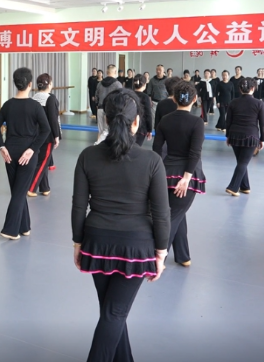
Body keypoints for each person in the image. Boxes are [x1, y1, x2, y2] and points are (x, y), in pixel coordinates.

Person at [71, 89, 170, 362]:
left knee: (111, 310)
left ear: (105, 119)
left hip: (96, 242)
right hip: (135, 246)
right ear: (136, 122)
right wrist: (161, 254)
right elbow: (161, 214)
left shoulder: (87, 156)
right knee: (114, 313)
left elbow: (79, 206)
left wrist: (78, 243)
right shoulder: (152, 161)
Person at [0, 68, 51, 240]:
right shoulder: (35, 106)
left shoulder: (8, 105)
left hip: (10, 153)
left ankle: (24, 227)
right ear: (30, 84)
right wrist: (32, 149)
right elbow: (46, 130)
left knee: (18, 190)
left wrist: (2, 147)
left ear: (15, 83)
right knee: (19, 192)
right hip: (27, 154)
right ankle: (10, 229)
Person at [153, 81, 204, 267]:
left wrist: (156, 175)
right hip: (187, 176)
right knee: (173, 216)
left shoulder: (165, 120)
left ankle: (183, 255)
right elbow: (195, 153)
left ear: (174, 99)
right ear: (194, 99)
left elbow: (157, 150)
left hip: (166, 173)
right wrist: (186, 178)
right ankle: (157, 259)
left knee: (177, 213)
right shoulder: (197, 122)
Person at [225, 78, 264, 196]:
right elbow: (263, 124)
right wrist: (262, 139)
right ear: (253, 88)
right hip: (251, 136)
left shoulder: (233, 102)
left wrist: (228, 136)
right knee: (243, 163)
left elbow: (228, 121)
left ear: (240, 89)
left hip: (234, 135)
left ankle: (245, 186)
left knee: (241, 162)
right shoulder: (259, 103)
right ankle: (233, 187)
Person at [28, 73, 61, 197]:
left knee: (43, 160)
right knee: (42, 162)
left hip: (35, 134)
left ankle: (45, 187)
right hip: (47, 136)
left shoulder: (34, 97)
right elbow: (53, 119)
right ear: (50, 84)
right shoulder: (50, 98)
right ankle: (31, 188)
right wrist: (57, 136)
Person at [94, 65, 123, 144]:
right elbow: (120, 98)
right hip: (111, 110)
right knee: (108, 131)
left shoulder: (100, 83)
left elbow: (96, 97)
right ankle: (98, 145)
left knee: (101, 131)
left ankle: (99, 146)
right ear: (115, 72)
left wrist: (97, 105)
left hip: (100, 108)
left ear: (106, 72)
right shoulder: (118, 84)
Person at [132, 75, 153, 147]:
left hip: (129, 125)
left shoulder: (128, 94)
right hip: (141, 127)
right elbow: (148, 114)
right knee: (137, 147)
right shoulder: (145, 97)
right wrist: (149, 129)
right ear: (144, 85)